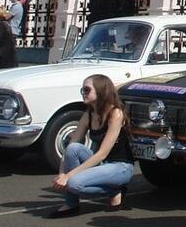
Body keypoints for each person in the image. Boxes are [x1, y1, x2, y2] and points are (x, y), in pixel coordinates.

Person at [49, 73, 134, 217]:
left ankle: (115, 191)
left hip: (120, 166)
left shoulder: (116, 113)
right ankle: (70, 204)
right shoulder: (89, 114)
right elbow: (73, 143)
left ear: (101, 91)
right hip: (103, 164)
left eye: (87, 89)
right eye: (82, 89)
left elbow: (102, 153)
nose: (83, 93)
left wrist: (68, 177)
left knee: (74, 183)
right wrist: (61, 173)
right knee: (72, 149)